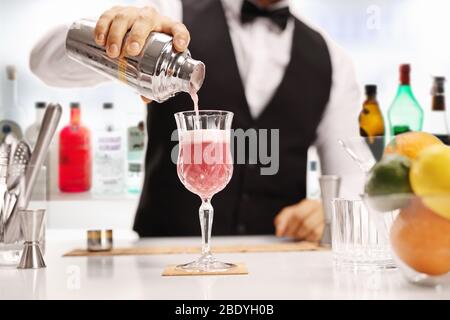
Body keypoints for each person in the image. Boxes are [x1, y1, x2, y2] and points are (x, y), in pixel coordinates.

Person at [30, 0, 361, 241]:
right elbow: (43, 62)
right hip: (161, 263)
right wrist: (110, 35)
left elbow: (353, 174)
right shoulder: (169, 13)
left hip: (279, 264)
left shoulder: (332, 58)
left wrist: (327, 210)